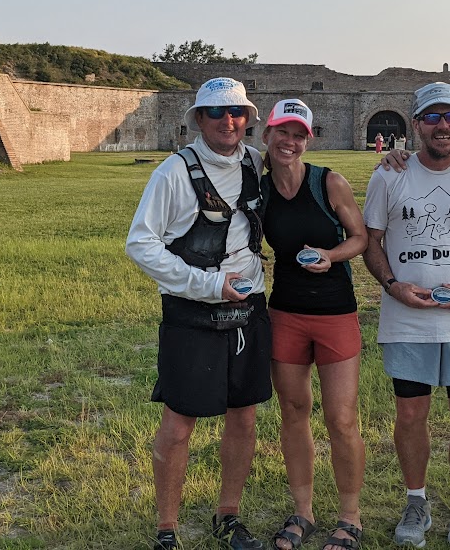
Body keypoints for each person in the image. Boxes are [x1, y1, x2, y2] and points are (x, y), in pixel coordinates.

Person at [126, 77, 272, 550]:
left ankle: (227, 516)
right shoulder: (173, 172)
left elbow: (298, 169)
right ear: (199, 119)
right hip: (193, 310)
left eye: (237, 113)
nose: (228, 122)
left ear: (248, 120)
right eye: (216, 113)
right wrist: (209, 285)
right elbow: (141, 244)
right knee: (179, 421)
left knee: (243, 416)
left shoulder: (254, 162)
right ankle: (166, 529)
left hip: (249, 308)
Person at [362, 82, 450, 550]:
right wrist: (392, 285)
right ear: (417, 124)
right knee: (410, 414)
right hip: (408, 316)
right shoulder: (389, 176)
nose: (442, 126)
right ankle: (416, 501)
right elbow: (372, 241)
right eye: (432, 118)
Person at [260, 99, 369, 550]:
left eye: (299, 134)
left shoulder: (329, 182)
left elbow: (360, 238)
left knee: (341, 418)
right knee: (294, 413)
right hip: (284, 311)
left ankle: (350, 517)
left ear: (309, 139)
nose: (290, 141)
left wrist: (331, 255)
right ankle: (302, 512)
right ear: (267, 135)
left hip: (335, 311)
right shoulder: (258, 188)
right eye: (283, 132)